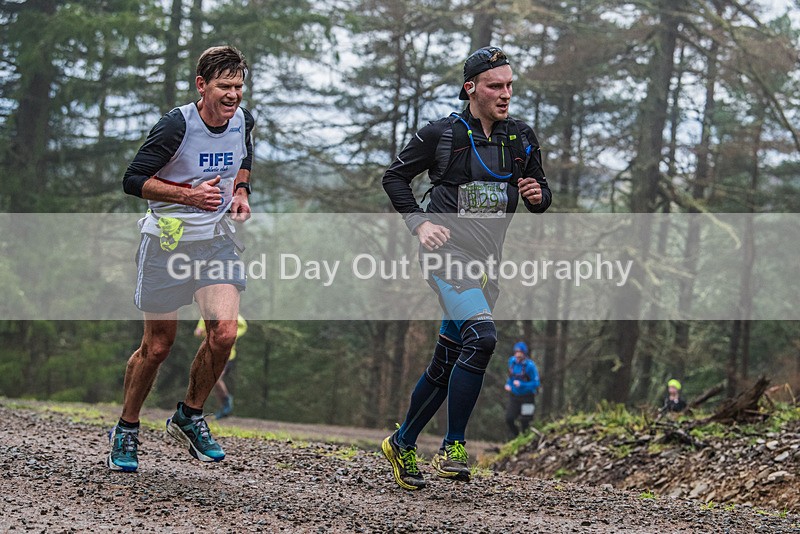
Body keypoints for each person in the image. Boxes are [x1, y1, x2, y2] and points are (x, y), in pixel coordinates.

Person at [381, 46, 551, 490]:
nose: (506, 93)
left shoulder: (520, 138)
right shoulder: (441, 134)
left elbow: (541, 195)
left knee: (448, 359)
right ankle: (454, 445)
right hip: (445, 256)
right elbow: (394, 177)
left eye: (510, 84)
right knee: (484, 336)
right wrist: (419, 223)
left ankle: (402, 442)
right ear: (470, 88)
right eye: (496, 85)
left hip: (486, 266)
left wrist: (537, 196)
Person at [108, 45, 255, 472]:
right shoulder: (176, 126)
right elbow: (133, 180)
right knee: (157, 347)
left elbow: (245, 157)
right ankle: (127, 428)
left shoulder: (243, 119)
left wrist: (241, 192)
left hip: (215, 242)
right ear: (202, 85)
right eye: (224, 86)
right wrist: (190, 196)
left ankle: (190, 415)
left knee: (224, 334)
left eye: (239, 87)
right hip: (168, 244)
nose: (233, 95)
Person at [194, 314, 248, 419]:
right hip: (211, 354)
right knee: (213, 381)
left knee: (216, 378)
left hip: (227, 355)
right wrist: (198, 333)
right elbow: (198, 331)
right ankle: (224, 407)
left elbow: (243, 326)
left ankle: (227, 402)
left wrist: (233, 334)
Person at [504, 341, 540, 439]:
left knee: (525, 421)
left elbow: (536, 383)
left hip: (528, 397)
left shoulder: (530, 366)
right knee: (509, 419)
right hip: (514, 396)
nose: (518, 357)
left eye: (520, 355)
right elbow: (511, 377)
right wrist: (508, 384)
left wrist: (522, 384)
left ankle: (525, 442)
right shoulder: (511, 362)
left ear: (524, 354)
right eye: (516, 354)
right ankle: (516, 437)